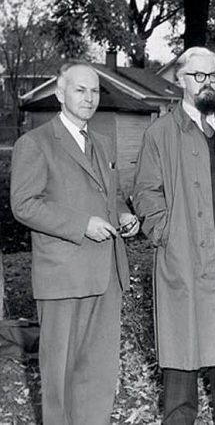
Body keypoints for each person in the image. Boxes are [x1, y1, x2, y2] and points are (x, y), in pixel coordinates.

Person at [10, 61, 139, 424]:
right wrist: (82, 224)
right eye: (80, 90)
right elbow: (24, 204)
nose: (90, 97)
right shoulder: (34, 143)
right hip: (63, 278)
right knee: (60, 379)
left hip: (105, 276)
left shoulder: (102, 142)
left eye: (95, 91)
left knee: (98, 376)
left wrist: (123, 214)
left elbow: (109, 196)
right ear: (59, 93)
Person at [133, 47, 215, 425]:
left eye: (213, 76)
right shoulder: (160, 133)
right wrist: (166, 232)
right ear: (180, 80)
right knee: (180, 389)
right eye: (199, 76)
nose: (207, 83)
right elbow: (147, 193)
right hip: (184, 270)